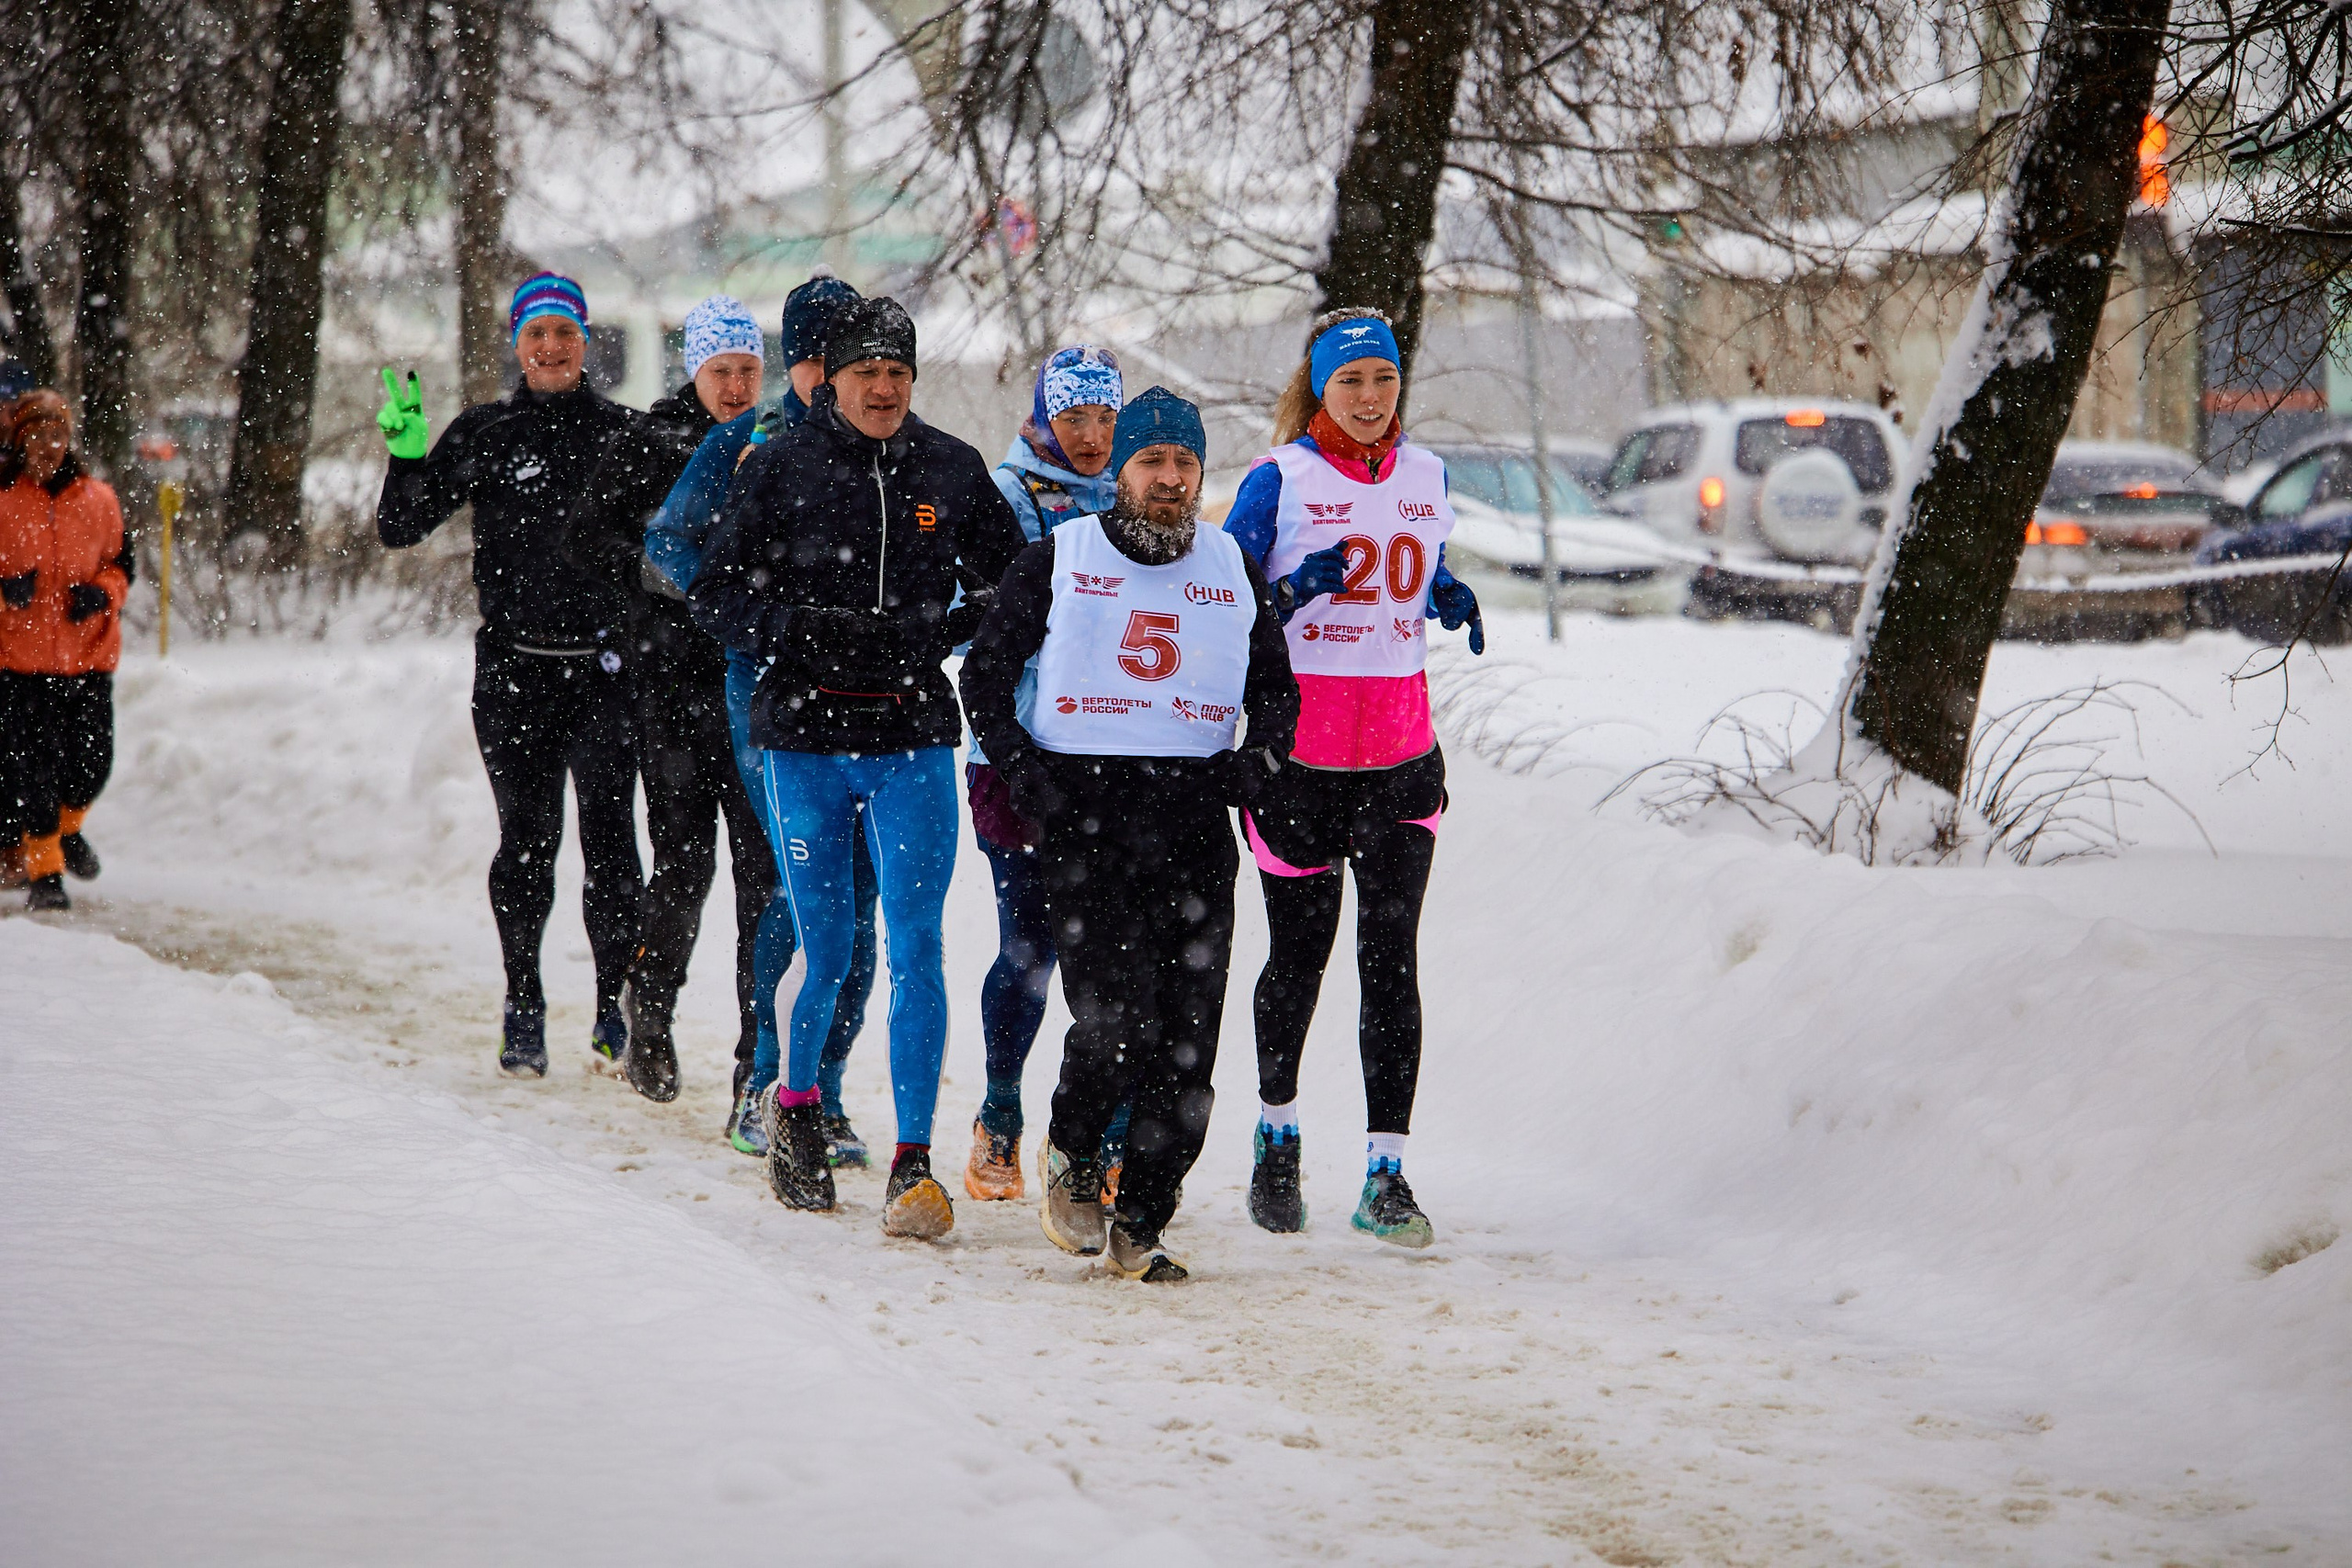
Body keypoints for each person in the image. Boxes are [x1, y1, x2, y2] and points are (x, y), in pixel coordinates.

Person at [691, 296, 1027, 1240]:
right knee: (827, 944)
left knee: (919, 946)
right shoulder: (784, 465)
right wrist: (791, 635)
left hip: (913, 738)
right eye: (865, 372)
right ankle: (794, 1108)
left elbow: (1012, 586)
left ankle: (913, 1162)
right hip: (802, 742)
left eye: (898, 372)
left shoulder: (951, 469)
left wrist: (945, 632)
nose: (882, 388)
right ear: (829, 380)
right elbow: (713, 588)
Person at [962, 388, 1297, 1281]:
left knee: (1189, 1055)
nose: (1169, 479)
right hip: (1089, 822)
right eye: (1152, 462)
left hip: (1191, 824)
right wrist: (1027, 778)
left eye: (1184, 463)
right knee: (1116, 1026)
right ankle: (1073, 1154)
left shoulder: (1230, 566)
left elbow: (1274, 690)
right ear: (1121, 470)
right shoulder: (1058, 559)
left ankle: (1142, 1219)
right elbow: (986, 680)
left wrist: (1258, 761)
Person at [1221, 308, 1484, 1250]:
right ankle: (1277, 1131)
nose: (1370, 400)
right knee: (1299, 958)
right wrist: (1292, 593)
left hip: (1402, 761)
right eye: (1350, 384)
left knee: (1391, 960)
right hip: (1301, 765)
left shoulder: (1426, 475)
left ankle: (1385, 1173)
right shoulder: (1278, 480)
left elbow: (1417, 564)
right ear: (1319, 389)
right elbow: (1222, 601)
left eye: (1382, 381)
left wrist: (1445, 590)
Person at [374, 272, 644, 1078]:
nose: (551, 347)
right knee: (526, 844)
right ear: (517, 345)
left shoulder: (625, 434)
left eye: (565, 332)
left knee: (610, 846)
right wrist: (405, 455)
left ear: (586, 342)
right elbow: (399, 525)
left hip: (605, 671)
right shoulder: (485, 432)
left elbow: (685, 535)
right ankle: (522, 1002)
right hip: (515, 673)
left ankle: (610, 1007)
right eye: (537, 334)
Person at [644, 272, 882, 1165]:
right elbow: (670, 541)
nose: (841, 377)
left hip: (871, 701)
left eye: (856, 359)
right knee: (801, 891)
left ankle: (823, 1092)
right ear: (803, 362)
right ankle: (763, 1085)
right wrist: (744, 620)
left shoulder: (883, 444)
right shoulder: (754, 438)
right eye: (824, 359)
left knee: (861, 908)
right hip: (771, 699)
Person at [563, 295, 770, 1108]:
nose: (737, 384)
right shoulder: (649, 440)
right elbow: (586, 536)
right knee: (684, 867)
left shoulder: (770, 443)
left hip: (751, 689)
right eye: (723, 370)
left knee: (764, 878)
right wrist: (649, 574)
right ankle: (648, 1013)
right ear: (696, 369)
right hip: (672, 689)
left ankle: (759, 1059)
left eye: (749, 370)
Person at [962, 344, 1132, 1204]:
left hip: (1121, 755)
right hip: (1019, 755)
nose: (1094, 436)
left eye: (1106, 417)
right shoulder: (1010, 493)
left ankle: (1106, 1137)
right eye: (1075, 418)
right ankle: (1000, 1113)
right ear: (1044, 416)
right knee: (1029, 948)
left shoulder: (1144, 490)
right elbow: (978, 626)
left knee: (1113, 954)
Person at [0, 390, 130, 913]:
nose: (48, 447)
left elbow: (123, 566)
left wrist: (102, 593)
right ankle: (45, 870)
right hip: (19, 662)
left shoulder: (100, 500)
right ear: (19, 442)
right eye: (36, 437)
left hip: (89, 658)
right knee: (34, 768)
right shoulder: (5, 501)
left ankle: (69, 827)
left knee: (93, 763)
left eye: (56, 436)